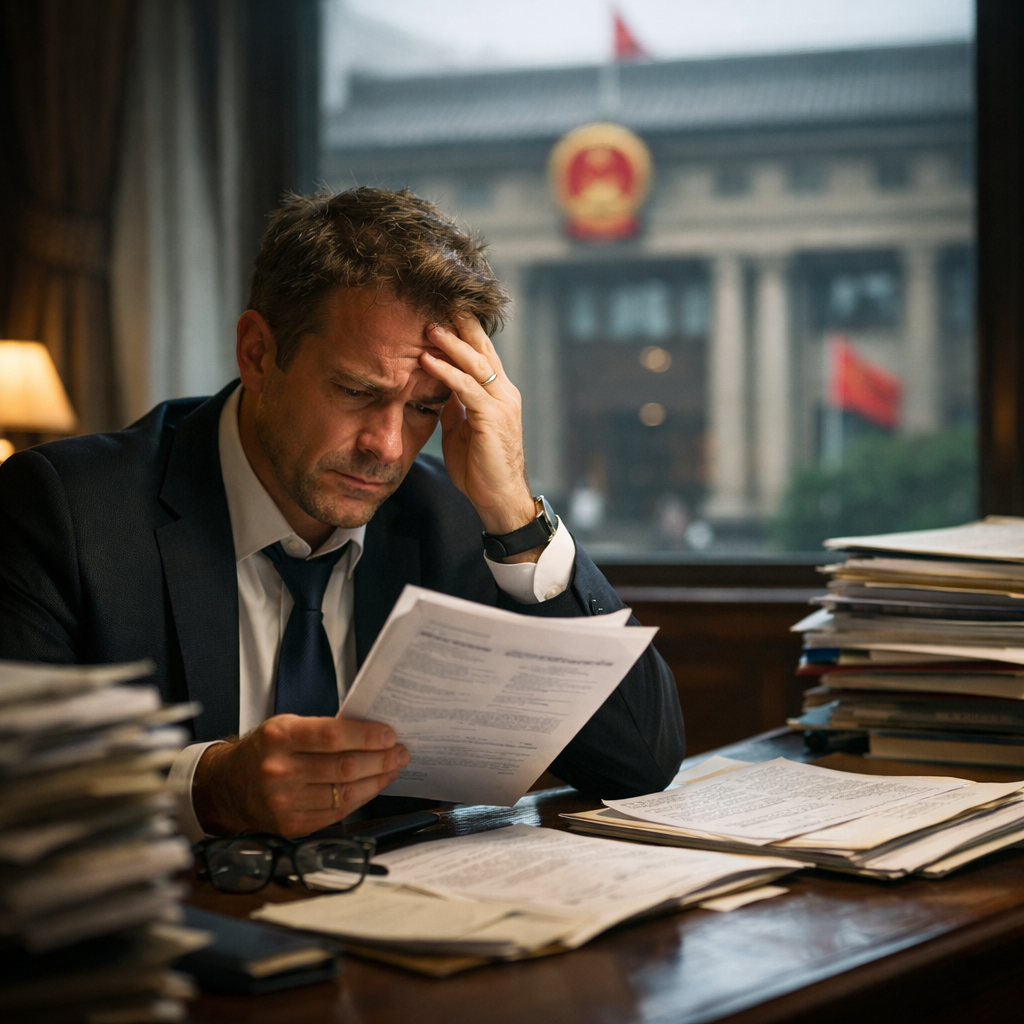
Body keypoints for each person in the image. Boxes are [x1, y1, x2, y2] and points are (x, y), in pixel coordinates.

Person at [0, 187, 685, 839]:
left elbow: (640, 762)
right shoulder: (66, 510)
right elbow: (18, 781)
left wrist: (514, 512)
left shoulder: (448, 516)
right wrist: (207, 788)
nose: (388, 447)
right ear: (258, 354)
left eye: (423, 409)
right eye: (357, 392)